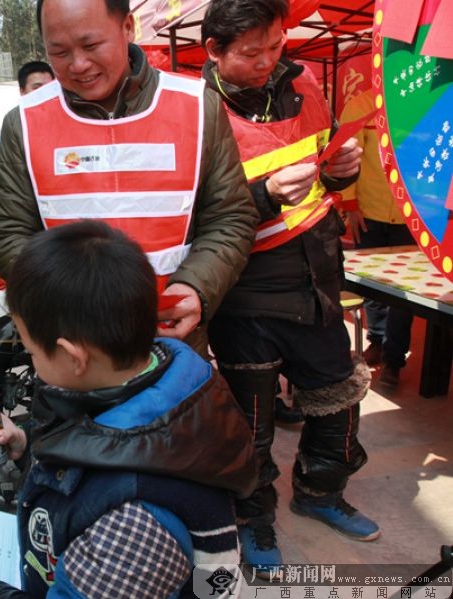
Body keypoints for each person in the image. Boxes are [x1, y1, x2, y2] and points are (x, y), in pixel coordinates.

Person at [0, 220, 257, 598]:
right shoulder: (150, 388)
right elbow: (92, 451)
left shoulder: (133, 522)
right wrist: (28, 450)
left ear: (72, 356)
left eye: (32, 352)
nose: (33, 362)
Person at [201, 0, 377, 576]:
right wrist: (264, 194)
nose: (268, 61)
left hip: (318, 273)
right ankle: (254, 522)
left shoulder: (304, 81)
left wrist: (341, 169)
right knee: (251, 426)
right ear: (215, 52)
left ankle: (320, 494)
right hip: (246, 291)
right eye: (251, 53)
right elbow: (194, 217)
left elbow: (323, 169)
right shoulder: (197, 114)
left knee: (339, 402)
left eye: (276, 45)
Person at [0, 0, 259, 357]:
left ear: (128, 28)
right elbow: (7, 230)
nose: (78, 65)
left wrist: (196, 289)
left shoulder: (197, 106)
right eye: (59, 52)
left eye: (91, 45)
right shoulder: (23, 122)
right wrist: (61, 305)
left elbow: (231, 216)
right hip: (73, 348)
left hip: (176, 340)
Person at [339, 88, 414, 387]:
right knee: (373, 287)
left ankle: (394, 359)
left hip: (410, 216)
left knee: (405, 293)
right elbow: (346, 156)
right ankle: (377, 341)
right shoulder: (363, 104)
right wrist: (350, 203)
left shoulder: (425, 104)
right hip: (368, 211)